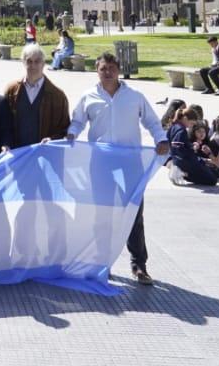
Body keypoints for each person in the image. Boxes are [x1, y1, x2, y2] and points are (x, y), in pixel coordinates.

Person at [66, 53, 169, 285]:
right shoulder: (88, 96)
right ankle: (102, 263)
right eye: (103, 68)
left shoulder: (134, 97)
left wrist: (160, 139)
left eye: (112, 68)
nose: (108, 72)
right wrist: (72, 134)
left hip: (129, 164)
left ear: (119, 70)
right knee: (102, 214)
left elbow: (152, 121)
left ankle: (139, 265)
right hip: (100, 163)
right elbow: (78, 121)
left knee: (134, 214)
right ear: (97, 70)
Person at [4, 45, 70, 147]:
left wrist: (52, 139)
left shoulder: (58, 96)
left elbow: (64, 129)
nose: (33, 66)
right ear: (23, 62)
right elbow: (4, 124)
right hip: (17, 154)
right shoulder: (11, 90)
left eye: (37, 61)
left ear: (43, 64)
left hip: (45, 155)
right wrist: (6, 144)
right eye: (29, 61)